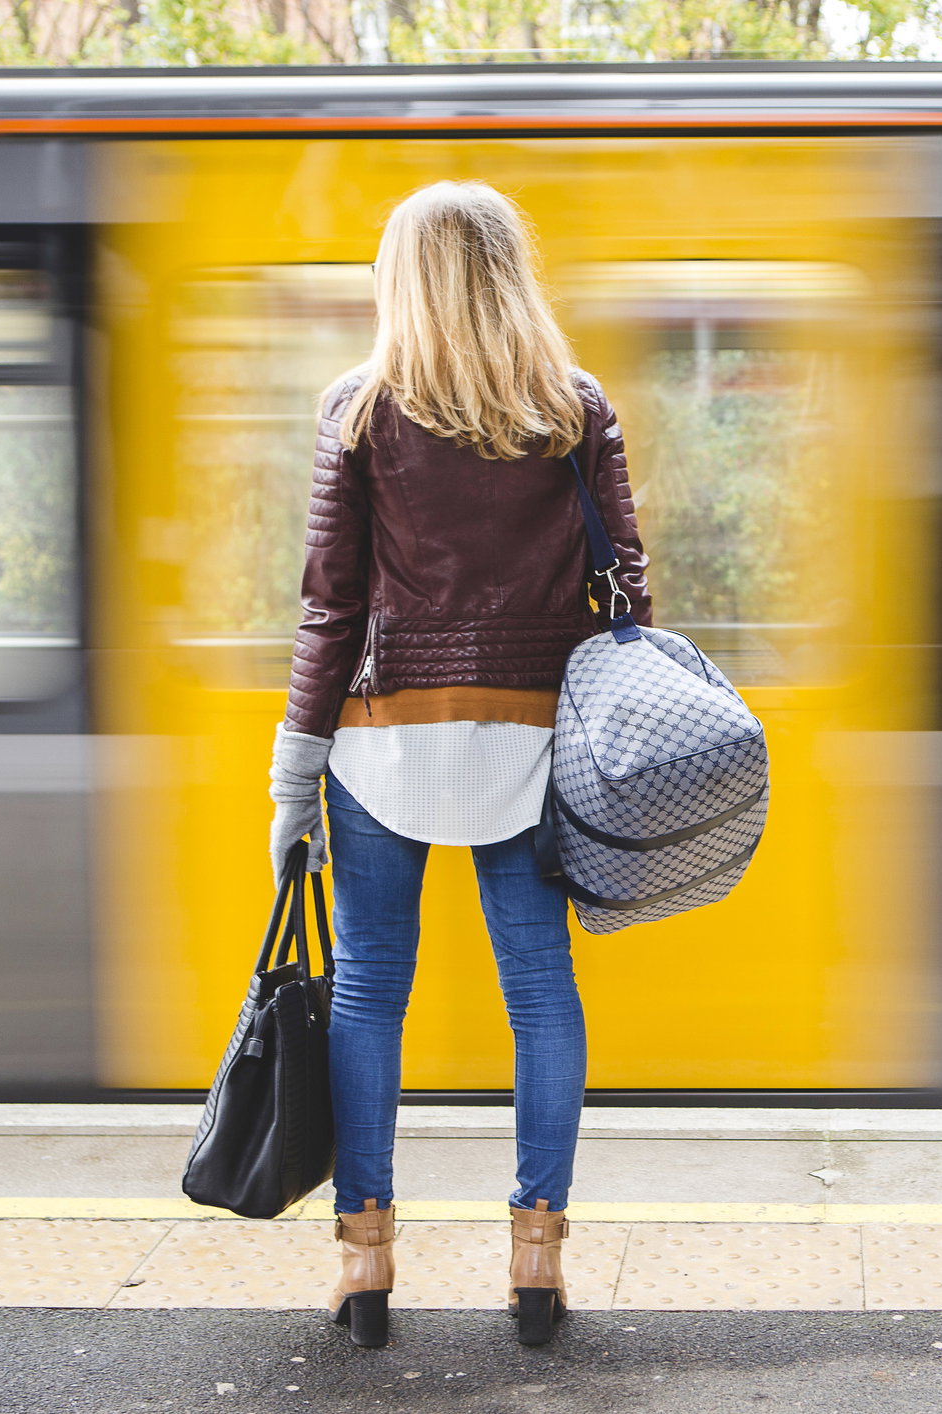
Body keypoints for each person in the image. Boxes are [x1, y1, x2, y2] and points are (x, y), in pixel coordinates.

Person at [265, 180, 650, 1351]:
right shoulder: (572, 408)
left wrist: (294, 777)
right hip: (537, 745)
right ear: (508, 274)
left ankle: (366, 1263)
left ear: (402, 280)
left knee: (373, 991)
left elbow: (331, 606)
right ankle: (537, 1260)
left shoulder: (359, 408)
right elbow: (628, 584)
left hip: (385, 746)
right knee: (540, 995)